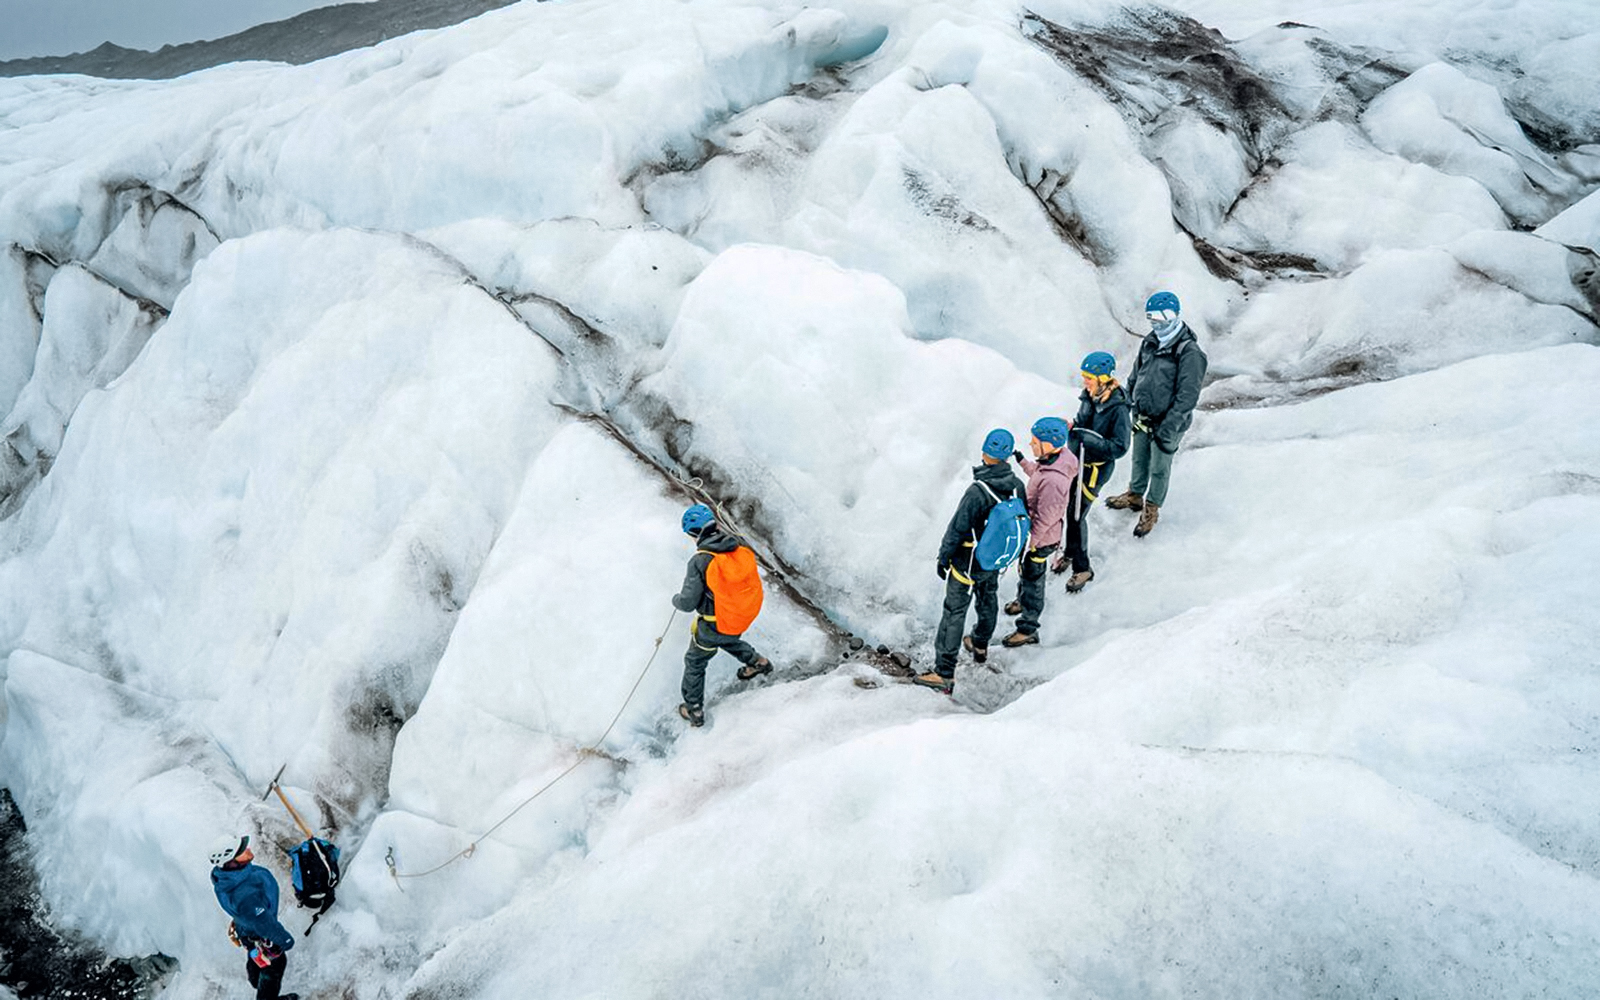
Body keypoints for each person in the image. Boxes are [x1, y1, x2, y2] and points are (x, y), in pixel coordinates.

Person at [915, 429, 1024, 694]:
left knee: (954, 612)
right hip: (993, 562)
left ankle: (944, 672)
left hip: (967, 562)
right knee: (988, 600)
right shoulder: (1017, 485)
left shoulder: (978, 491)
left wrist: (943, 557)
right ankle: (979, 644)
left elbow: (957, 528)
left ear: (986, 453)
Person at [1104, 292, 1207, 537]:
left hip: (1168, 423)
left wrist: (1169, 427)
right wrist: (1128, 402)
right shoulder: (1150, 342)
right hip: (1143, 416)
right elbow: (1136, 373)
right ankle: (1135, 494)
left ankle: (1151, 509)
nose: (1157, 325)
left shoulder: (1190, 352)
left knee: (1159, 467)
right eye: (1153, 320)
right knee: (1139, 459)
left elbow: (1187, 397)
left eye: (1163, 319)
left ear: (1175, 316)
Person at [672, 503, 771, 727]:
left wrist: (675, 600)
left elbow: (687, 603)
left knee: (695, 662)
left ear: (693, 533)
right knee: (727, 639)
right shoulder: (736, 547)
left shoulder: (700, 560)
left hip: (713, 623)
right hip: (738, 616)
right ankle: (758, 662)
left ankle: (693, 709)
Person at [1049, 351, 1131, 589]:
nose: (1085, 380)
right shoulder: (1089, 397)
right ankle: (1071, 551)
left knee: (1077, 515)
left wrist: (1090, 439)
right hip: (1078, 462)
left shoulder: (1118, 408)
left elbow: (1120, 446)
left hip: (1095, 469)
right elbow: (1083, 420)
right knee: (1068, 508)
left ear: (1104, 378)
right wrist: (1074, 426)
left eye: (1089, 376)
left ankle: (1083, 568)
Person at [999, 418, 1078, 647]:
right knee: (1026, 571)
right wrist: (1022, 461)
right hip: (1036, 536)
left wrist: (1029, 542)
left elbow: (1047, 517)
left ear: (1049, 444)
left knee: (1033, 579)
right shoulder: (1053, 462)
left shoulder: (1055, 481)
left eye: (1036, 442)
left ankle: (1028, 628)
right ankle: (1021, 601)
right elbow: (1037, 474)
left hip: (1041, 540)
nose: (1032, 445)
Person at [209, 834, 299, 1000]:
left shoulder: (225, 878)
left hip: (247, 930)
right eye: (242, 853)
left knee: (256, 956)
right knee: (275, 966)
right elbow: (264, 922)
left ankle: (256, 979)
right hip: (261, 934)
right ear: (230, 863)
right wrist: (285, 940)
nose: (248, 851)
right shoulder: (246, 895)